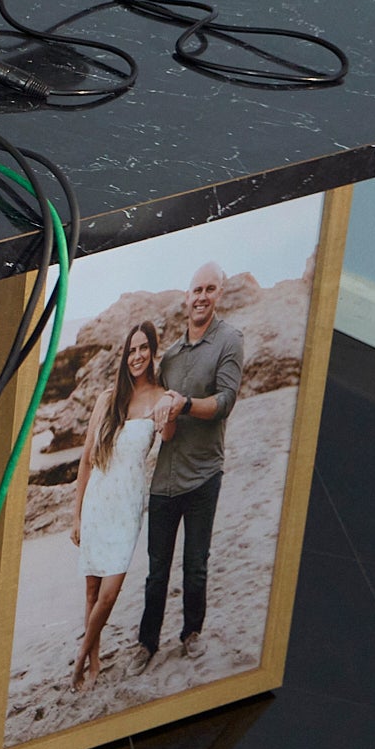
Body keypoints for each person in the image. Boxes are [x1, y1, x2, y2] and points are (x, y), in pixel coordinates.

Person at [140, 263, 245, 661]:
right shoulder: (169, 357)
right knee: (156, 572)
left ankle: (191, 633)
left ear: (220, 294)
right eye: (196, 289)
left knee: (195, 564)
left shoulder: (230, 340)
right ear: (187, 297)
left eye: (210, 289)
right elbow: (152, 408)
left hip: (204, 475)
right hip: (164, 480)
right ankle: (146, 643)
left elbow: (224, 403)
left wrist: (184, 404)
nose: (202, 296)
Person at [69, 322, 171, 691]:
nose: (137, 356)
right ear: (124, 355)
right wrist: (76, 514)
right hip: (98, 501)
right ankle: (94, 663)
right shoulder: (107, 399)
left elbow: (171, 432)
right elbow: (85, 461)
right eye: (131, 350)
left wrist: (174, 403)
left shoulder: (162, 397)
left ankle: (79, 659)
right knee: (92, 591)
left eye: (144, 348)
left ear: (153, 351)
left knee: (110, 593)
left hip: (128, 506)